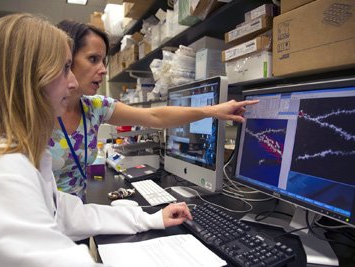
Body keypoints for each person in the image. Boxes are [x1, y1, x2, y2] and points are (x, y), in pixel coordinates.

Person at [0, 14, 192, 267]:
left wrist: (151, 219)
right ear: (28, 76)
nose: (71, 83)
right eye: (65, 68)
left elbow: (67, 214)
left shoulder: (20, 155)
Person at [50, 20, 259, 202]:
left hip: (76, 218)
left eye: (104, 61)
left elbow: (154, 116)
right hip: (41, 227)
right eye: (93, 59)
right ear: (66, 59)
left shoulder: (94, 107)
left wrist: (212, 111)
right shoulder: (37, 113)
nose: (103, 69)